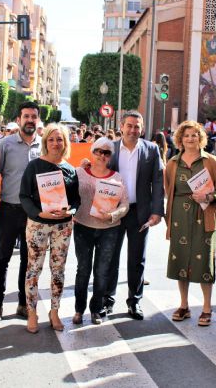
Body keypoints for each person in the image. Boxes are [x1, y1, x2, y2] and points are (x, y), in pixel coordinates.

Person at [165, 121, 216, 326]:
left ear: (200, 137)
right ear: (180, 139)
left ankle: (207, 307)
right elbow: (168, 190)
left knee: (204, 262)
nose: (190, 139)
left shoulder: (210, 161)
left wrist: (209, 197)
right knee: (181, 260)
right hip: (179, 218)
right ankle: (184, 305)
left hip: (204, 215)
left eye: (194, 135)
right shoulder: (173, 163)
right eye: (186, 135)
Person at [19, 124, 80, 333]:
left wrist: (71, 212)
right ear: (45, 142)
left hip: (62, 227)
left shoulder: (71, 169)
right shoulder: (34, 166)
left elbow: (76, 201)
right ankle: (32, 312)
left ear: (65, 143)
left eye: (60, 139)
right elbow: (24, 196)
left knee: (58, 271)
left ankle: (54, 311)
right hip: (38, 224)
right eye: (52, 139)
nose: (56, 143)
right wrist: (38, 213)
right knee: (33, 269)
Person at [104, 110, 164, 320]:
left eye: (137, 126)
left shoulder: (151, 149)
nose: (133, 130)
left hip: (140, 212)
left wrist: (157, 211)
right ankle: (107, 301)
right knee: (110, 258)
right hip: (114, 211)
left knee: (137, 259)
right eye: (129, 125)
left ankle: (134, 301)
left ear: (142, 129)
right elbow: (97, 172)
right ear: (121, 126)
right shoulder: (109, 148)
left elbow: (157, 181)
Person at [0, 102, 42, 323]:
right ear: (19, 119)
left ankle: (23, 304)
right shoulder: (6, 144)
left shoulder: (44, 145)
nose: (30, 120)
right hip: (9, 211)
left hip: (34, 214)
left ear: (38, 120)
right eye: (26, 116)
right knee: (1, 259)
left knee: (28, 262)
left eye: (33, 117)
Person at [72, 137, 129, 325]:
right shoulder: (79, 172)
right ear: (92, 151)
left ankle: (96, 309)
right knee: (83, 269)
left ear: (110, 156)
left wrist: (112, 216)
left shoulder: (117, 178)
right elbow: (67, 194)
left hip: (109, 230)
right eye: (98, 151)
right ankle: (79, 310)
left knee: (102, 271)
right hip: (83, 227)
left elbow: (125, 204)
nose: (102, 155)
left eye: (106, 153)